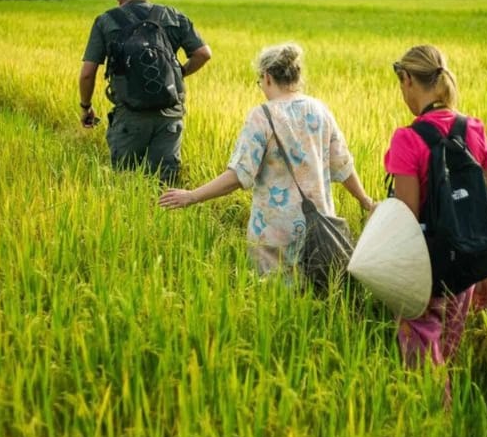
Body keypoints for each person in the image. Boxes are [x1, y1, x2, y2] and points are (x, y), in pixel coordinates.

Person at [158, 42, 374, 277]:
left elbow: (238, 176)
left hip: (274, 236)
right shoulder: (320, 110)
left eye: (260, 81)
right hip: (319, 229)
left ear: (268, 77)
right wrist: (365, 200)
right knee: (316, 298)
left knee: (275, 301)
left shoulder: (262, 116)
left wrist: (192, 196)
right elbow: (343, 165)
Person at [383, 44, 487, 404]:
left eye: (402, 85)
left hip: (425, 270)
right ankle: (444, 430)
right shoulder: (474, 129)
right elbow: (481, 214)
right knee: (444, 355)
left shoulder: (408, 138)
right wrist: (483, 276)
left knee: (420, 370)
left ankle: (430, 434)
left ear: (408, 79)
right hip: (464, 267)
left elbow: (406, 220)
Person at [78, 0, 212, 184]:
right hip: (169, 113)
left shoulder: (106, 21)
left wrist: (86, 107)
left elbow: (87, 73)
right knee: (164, 183)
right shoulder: (172, 15)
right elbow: (203, 54)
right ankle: (162, 214)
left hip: (130, 115)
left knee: (126, 182)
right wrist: (179, 73)